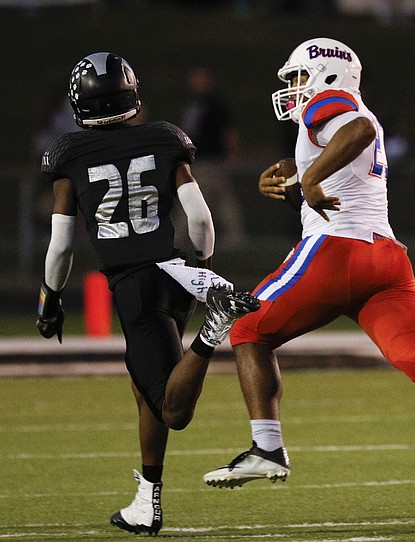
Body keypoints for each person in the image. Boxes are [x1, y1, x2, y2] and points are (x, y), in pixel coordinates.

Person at [202, 37, 415, 489]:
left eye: (297, 77)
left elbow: (358, 131)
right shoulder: (337, 115)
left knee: (247, 327)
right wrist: (299, 191)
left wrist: (308, 177)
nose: (292, 88)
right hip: (384, 257)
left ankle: (267, 448)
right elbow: (342, 178)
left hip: (337, 253)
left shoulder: (332, 101)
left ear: (326, 73)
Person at [36, 52, 261, 535]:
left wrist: (49, 299)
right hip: (176, 272)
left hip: (133, 284)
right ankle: (147, 499)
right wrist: (200, 269)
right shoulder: (164, 138)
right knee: (146, 389)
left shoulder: (70, 152)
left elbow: (60, 246)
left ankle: (213, 331)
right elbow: (199, 218)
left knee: (171, 408)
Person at [177, 66, 245, 244]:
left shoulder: (215, 104)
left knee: (196, 198)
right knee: (219, 200)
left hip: (211, 159)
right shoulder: (193, 103)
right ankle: (235, 237)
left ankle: (178, 238)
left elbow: (228, 132)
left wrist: (232, 154)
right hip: (197, 160)